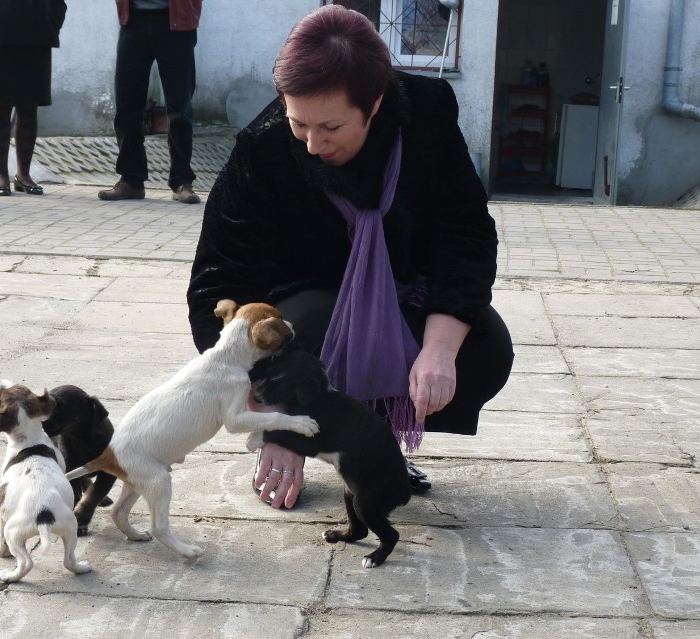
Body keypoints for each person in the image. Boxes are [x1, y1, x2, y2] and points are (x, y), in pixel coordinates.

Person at [186, 5, 514, 509]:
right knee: (308, 323)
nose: (314, 145)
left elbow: (465, 233)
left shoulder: (427, 114)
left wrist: (441, 350)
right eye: (300, 124)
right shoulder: (264, 148)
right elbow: (220, 281)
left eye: (331, 127)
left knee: (485, 345)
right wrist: (276, 418)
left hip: (406, 292)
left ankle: (370, 439)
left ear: (375, 103)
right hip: (305, 307)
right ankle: (311, 433)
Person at [97, 0, 202, 204]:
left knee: (180, 108)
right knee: (127, 104)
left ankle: (182, 181)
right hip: (133, 20)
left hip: (177, 22)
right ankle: (132, 180)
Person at [0, 0, 67, 196]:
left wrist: (51, 19)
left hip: (37, 36)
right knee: (0, 106)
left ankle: (24, 175)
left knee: (29, 108)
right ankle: (1, 175)